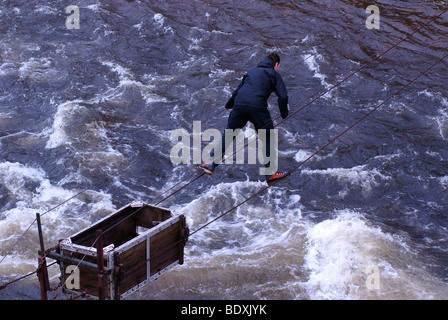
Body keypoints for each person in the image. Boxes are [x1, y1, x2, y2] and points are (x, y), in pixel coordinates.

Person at [200, 52, 290, 186]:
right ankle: (270, 174)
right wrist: (284, 114)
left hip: (239, 105)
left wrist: (228, 105)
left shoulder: (251, 72)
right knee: (268, 137)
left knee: (229, 134)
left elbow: (237, 91)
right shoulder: (273, 74)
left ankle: (212, 164)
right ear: (276, 65)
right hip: (257, 106)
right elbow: (283, 96)